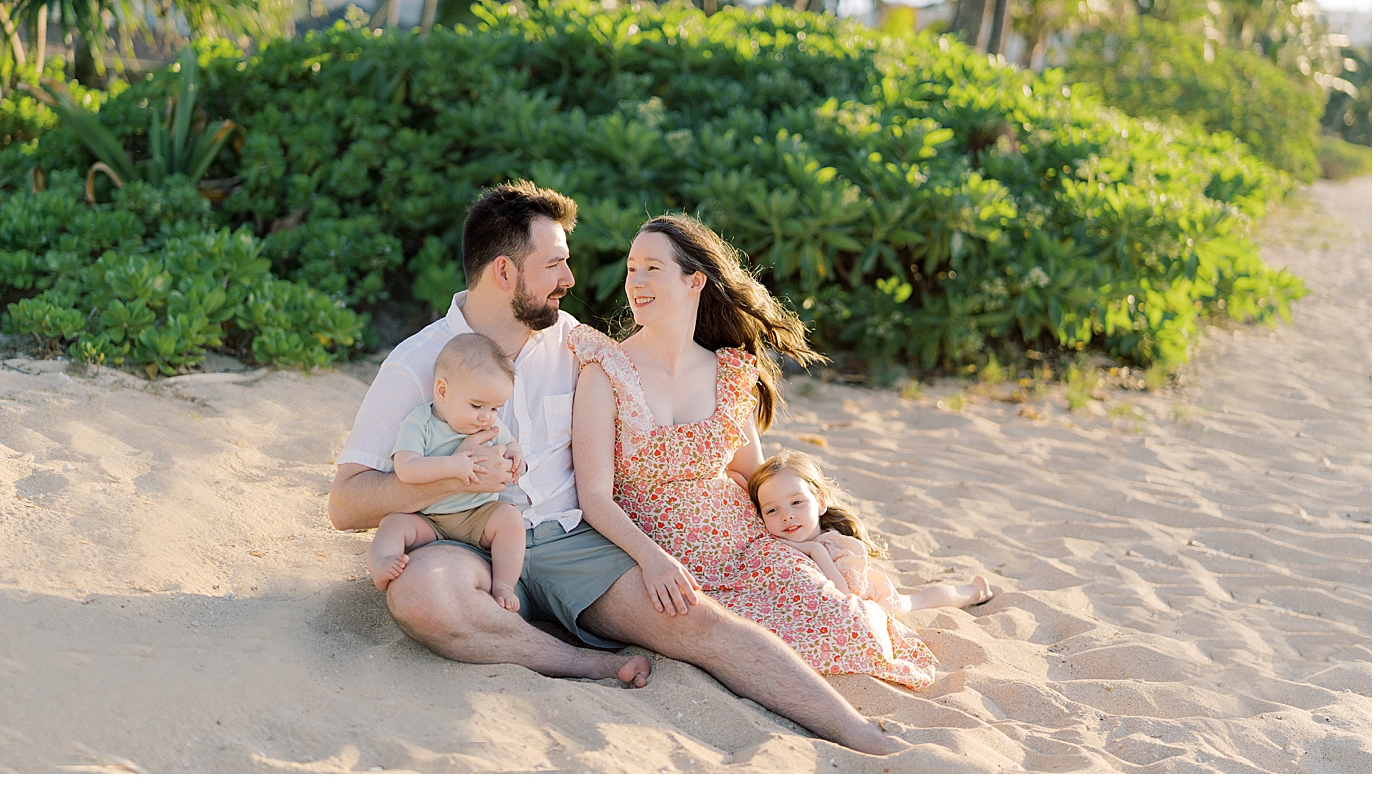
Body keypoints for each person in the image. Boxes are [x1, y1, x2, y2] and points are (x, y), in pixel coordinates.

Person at [328, 180, 903, 756]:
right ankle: (582, 662)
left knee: (696, 621)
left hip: (570, 543)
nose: (570, 281)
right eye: (554, 266)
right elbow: (346, 503)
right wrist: (456, 472)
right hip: (463, 536)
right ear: (504, 273)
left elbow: (672, 403)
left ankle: (854, 729)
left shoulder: (582, 346)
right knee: (422, 597)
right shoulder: (417, 363)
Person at [568, 213, 939, 689]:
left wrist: (806, 537)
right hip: (663, 564)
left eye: (652, 269)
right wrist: (653, 559)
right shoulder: (605, 371)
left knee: (849, 629)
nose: (635, 282)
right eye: (631, 269)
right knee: (745, 645)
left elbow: (756, 476)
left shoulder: (730, 373)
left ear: (694, 280)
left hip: (749, 549)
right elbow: (594, 496)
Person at [365, 332, 527, 612]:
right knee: (393, 523)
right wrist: (453, 465)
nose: (486, 416)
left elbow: (509, 441)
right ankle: (381, 562)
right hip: (429, 518)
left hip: (478, 514)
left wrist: (515, 453)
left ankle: (503, 584)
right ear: (442, 391)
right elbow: (406, 468)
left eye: (495, 408)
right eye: (477, 405)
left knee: (510, 519)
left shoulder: (489, 426)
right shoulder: (421, 423)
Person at [749, 450, 995, 620]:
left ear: (820, 502)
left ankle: (974, 592)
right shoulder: (779, 539)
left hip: (874, 602)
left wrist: (816, 552)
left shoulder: (836, 545)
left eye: (796, 502)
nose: (786, 516)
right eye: (772, 509)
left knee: (918, 601)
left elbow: (846, 597)